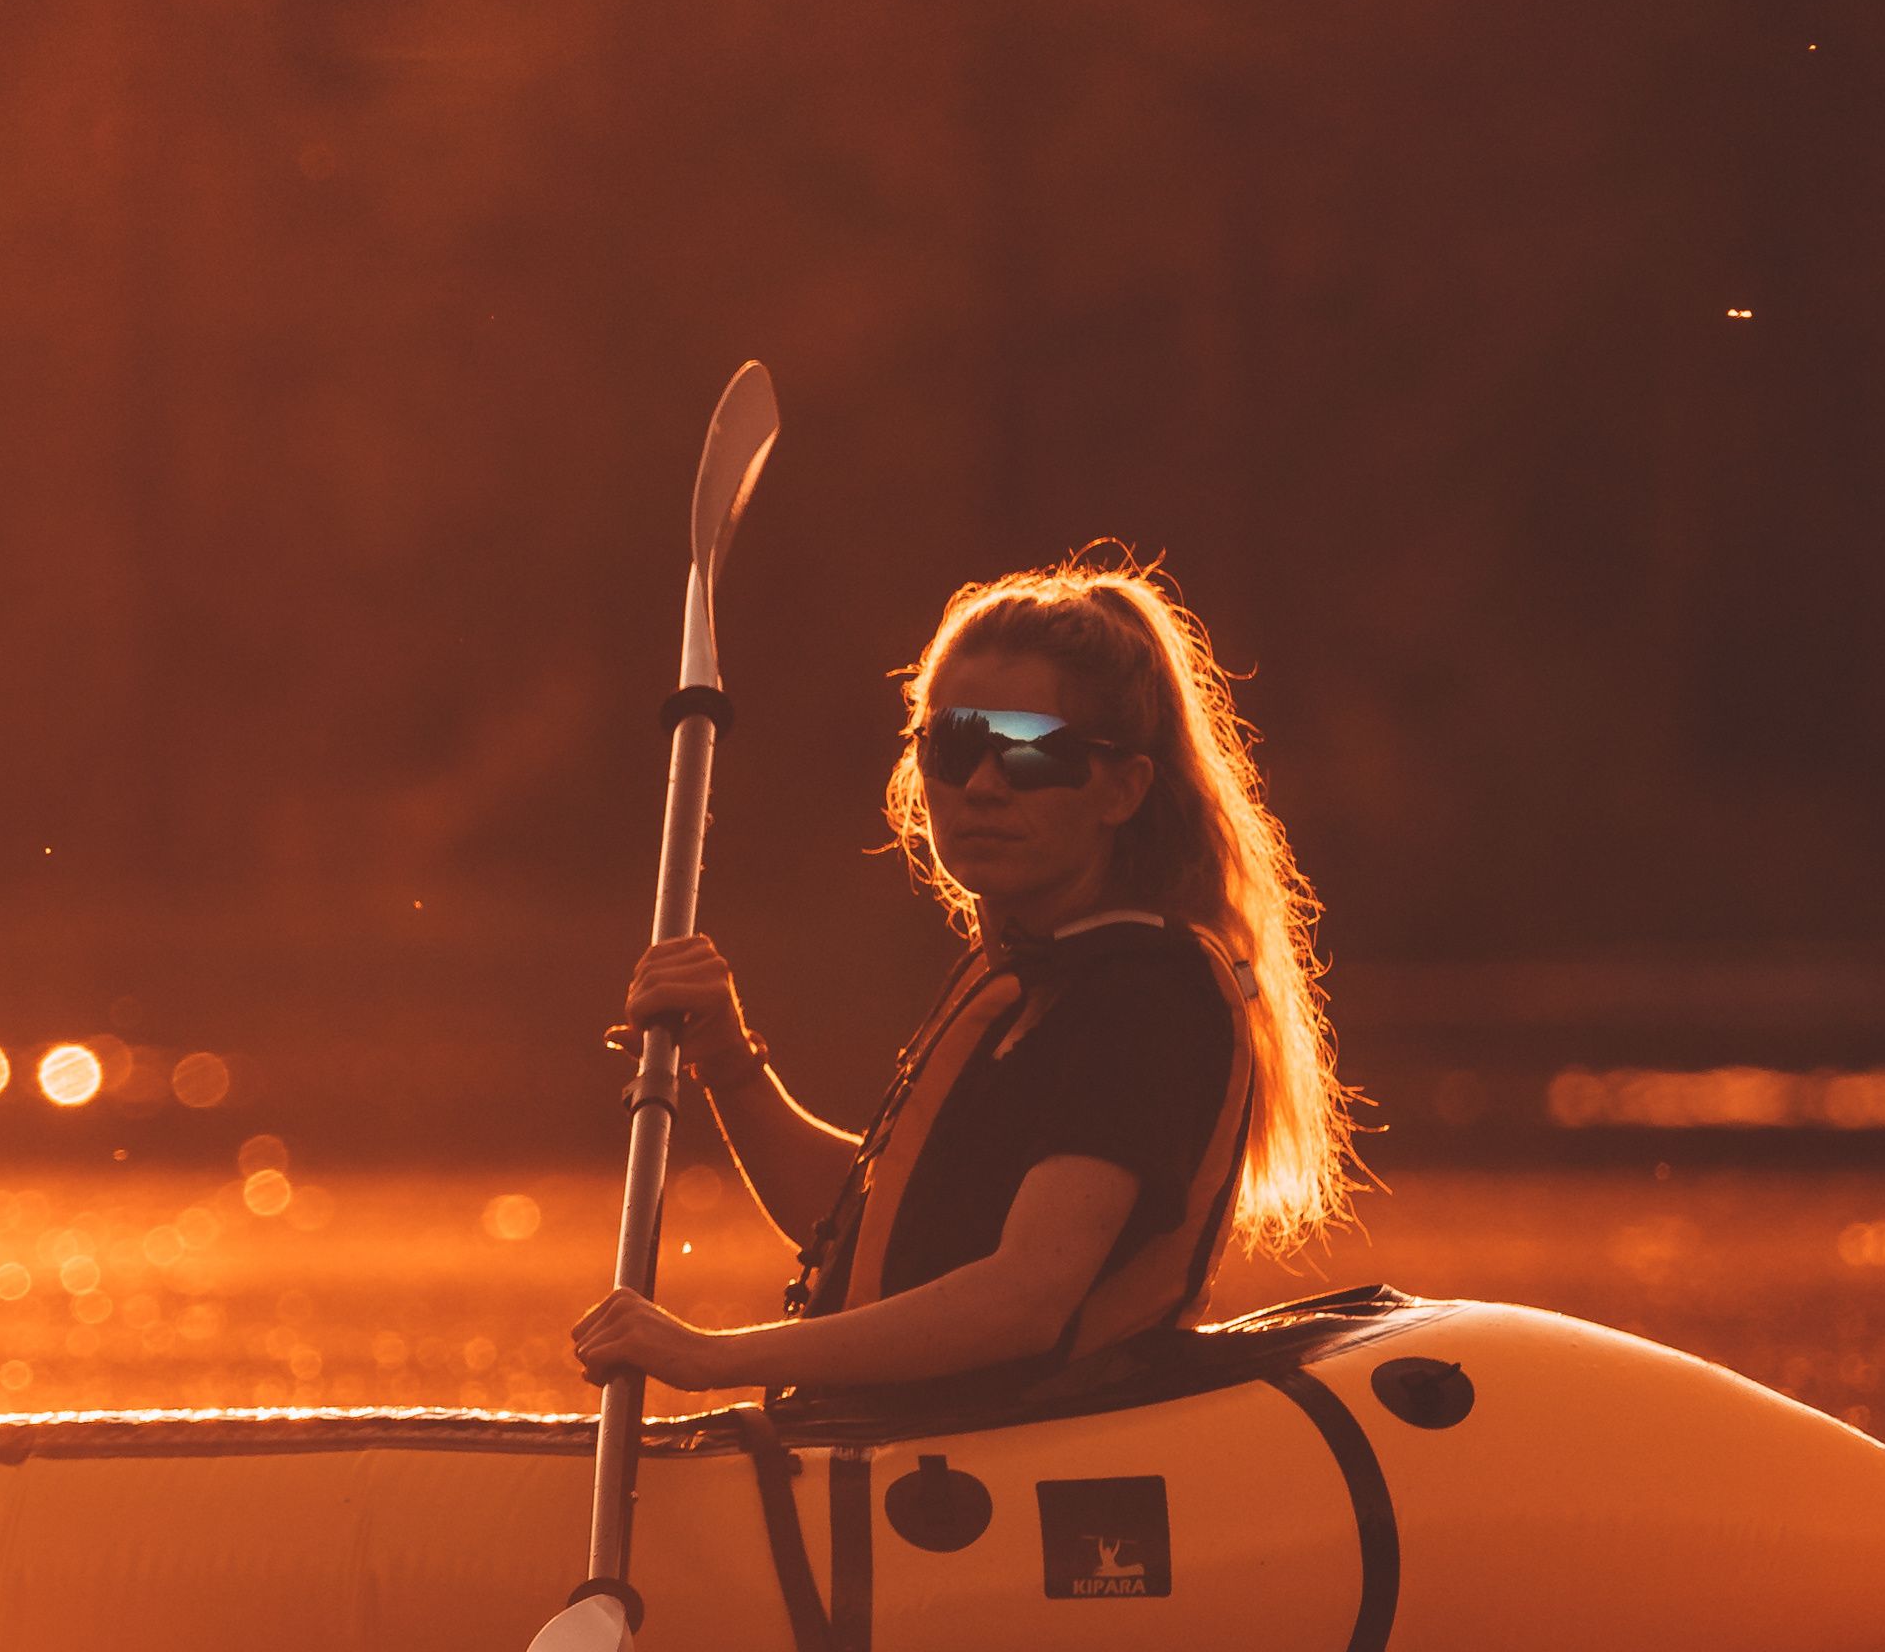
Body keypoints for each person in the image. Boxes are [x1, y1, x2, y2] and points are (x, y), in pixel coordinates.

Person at [567, 553, 1353, 1414]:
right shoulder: (1024, 974)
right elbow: (859, 1225)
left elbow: (1024, 1299)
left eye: (1031, 753)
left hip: (1014, 1471)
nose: (981, 784)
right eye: (955, 745)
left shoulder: (1149, 999)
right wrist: (725, 1055)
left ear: (1123, 789)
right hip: (905, 1452)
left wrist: (710, 1357)